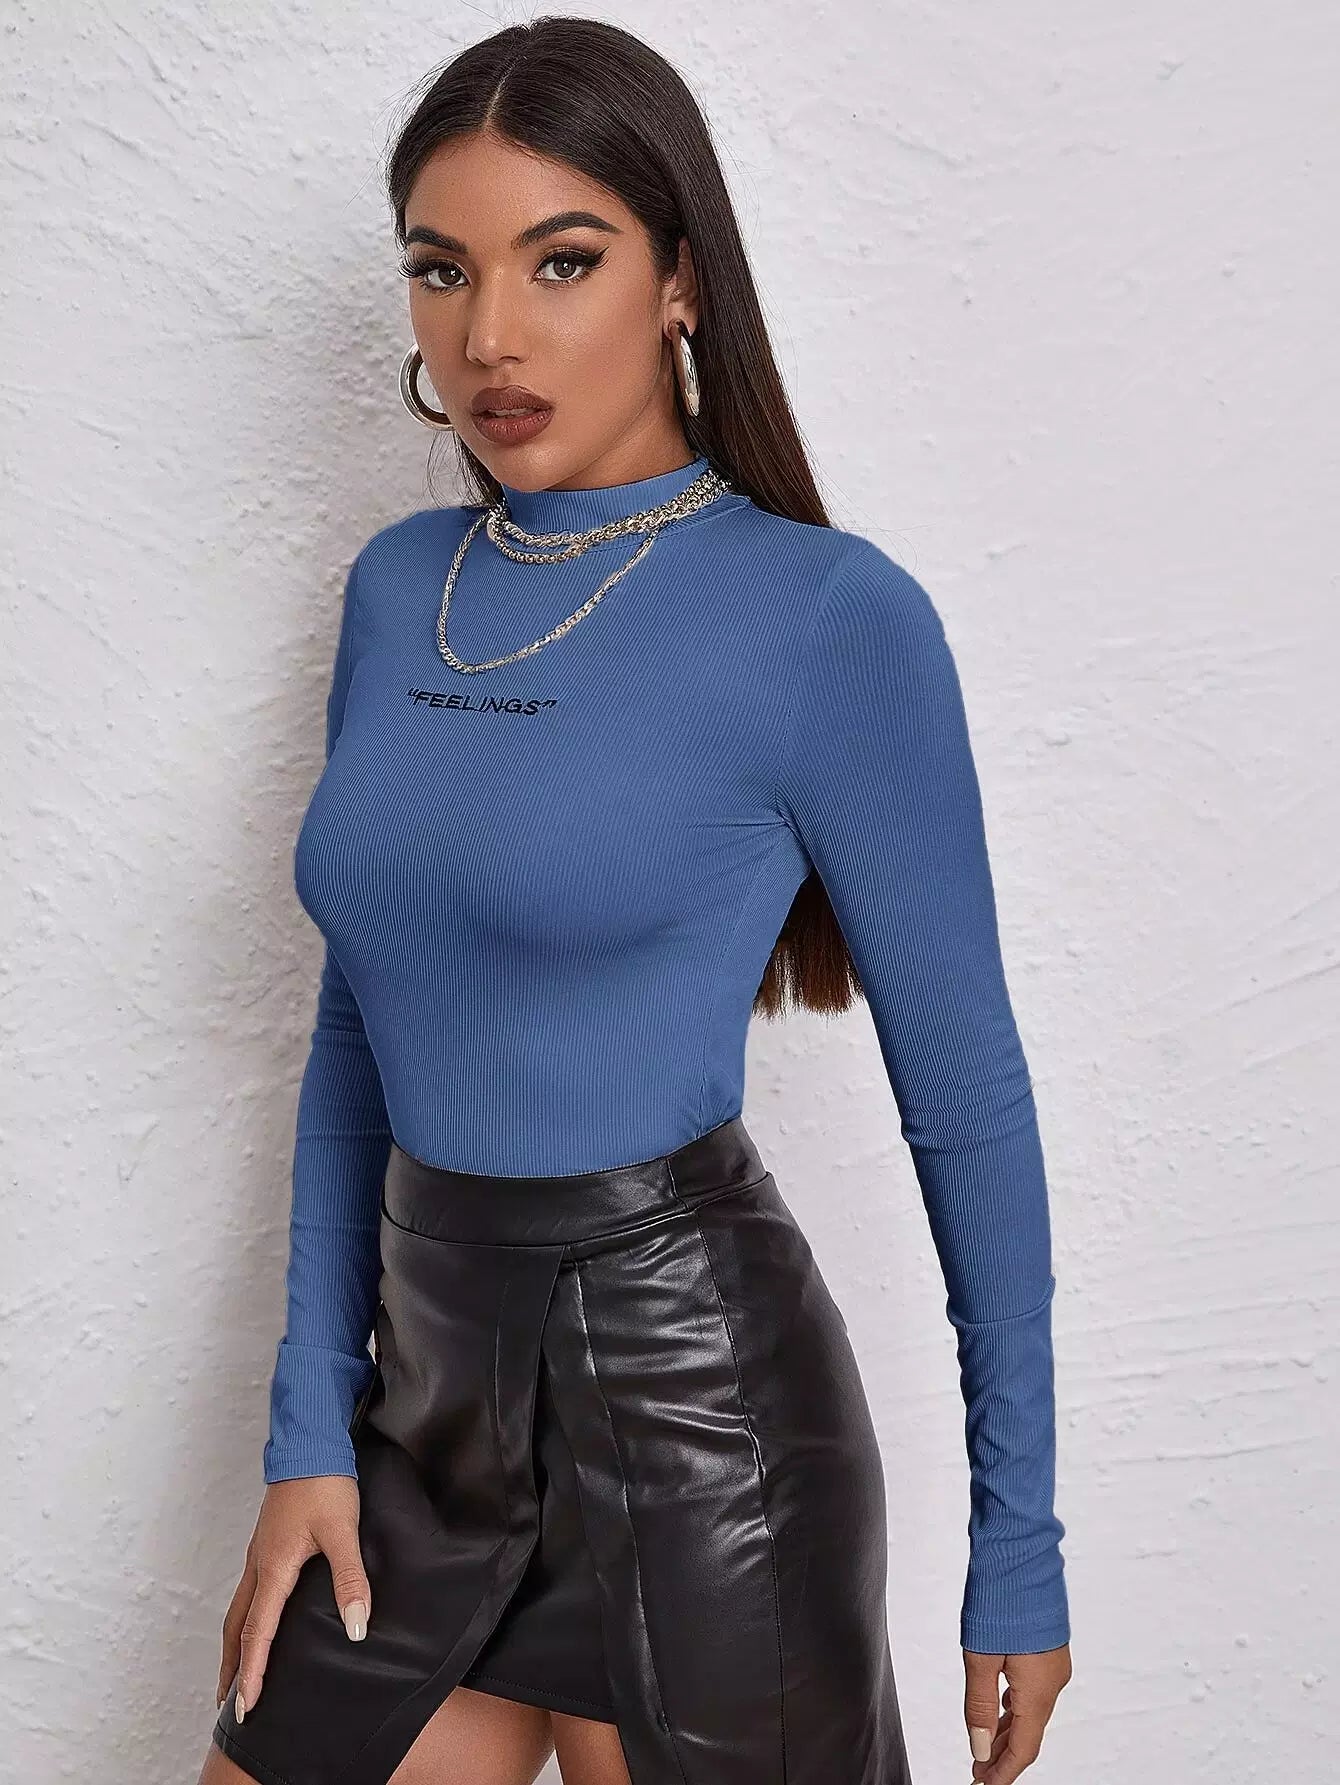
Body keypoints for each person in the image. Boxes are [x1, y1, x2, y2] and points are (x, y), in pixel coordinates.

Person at [199, 17, 1071, 1785]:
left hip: (702, 1434)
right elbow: (362, 1021)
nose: (489, 339)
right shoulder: (401, 589)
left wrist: (1021, 1543)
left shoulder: (828, 616)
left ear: (681, 280)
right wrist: (309, 1427)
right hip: (422, 1423)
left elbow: (969, 1101)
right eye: (441, 270)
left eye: (562, 261)